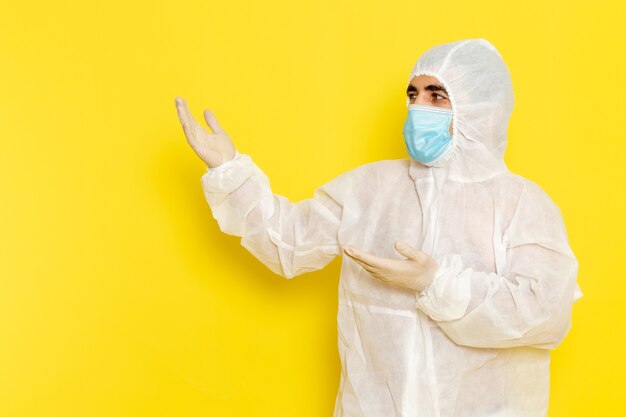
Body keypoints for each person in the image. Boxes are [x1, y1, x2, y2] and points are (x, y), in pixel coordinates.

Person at [174, 38, 583, 417]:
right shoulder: (370, 188)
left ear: (482, 109)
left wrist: (436, 283)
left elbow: (545, 312)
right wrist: (229, 170)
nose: (417, 106)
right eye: (413, 94)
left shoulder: (522, 203)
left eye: (437, 95)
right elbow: (289, 243)